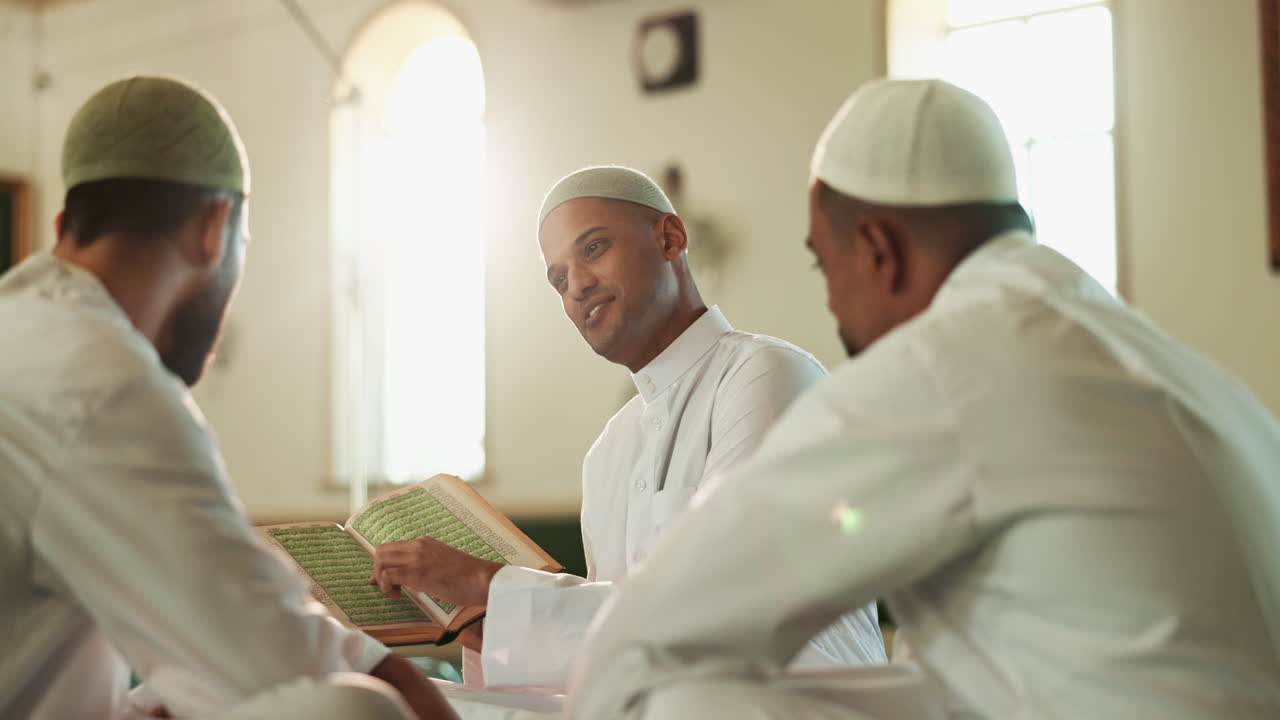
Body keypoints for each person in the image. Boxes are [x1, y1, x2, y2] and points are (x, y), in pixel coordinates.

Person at [567, 79, 1280, 719]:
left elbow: (654, 628)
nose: (832, 304)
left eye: (824, 263)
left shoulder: (953, 361)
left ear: (879, 249)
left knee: (678, 695)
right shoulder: (1159, 358)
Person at [0, 76, 456, 720]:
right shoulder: (99, 379)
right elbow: (285, 665)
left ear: (64, 225)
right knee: (356, 710)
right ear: (214, 227)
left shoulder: (22, 330)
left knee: (165, 697)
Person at [370, 166, 886, 691]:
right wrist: (486, 624)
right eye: (560, 279)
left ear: (670, 238)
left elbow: (726, 608)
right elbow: (624, 657)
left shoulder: (766, 373)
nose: (578, 286)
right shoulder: (610, 451)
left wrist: (489, 584)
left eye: (593, 249)